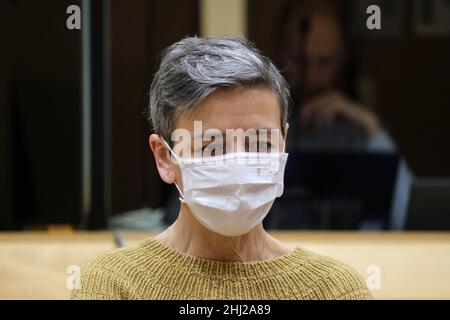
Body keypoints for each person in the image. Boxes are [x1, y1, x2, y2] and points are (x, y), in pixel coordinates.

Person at [71, 37, 372, 300]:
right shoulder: (112, 286)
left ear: (283, 144)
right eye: (211, 146)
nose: (238, 163)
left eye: (260, 143)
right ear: (165, 158)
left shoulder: (334, 290)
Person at [278, 0, 395, 152]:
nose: (312, 76)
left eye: (324, 62)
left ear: (342, 57)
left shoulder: (355, 127)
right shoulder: (259, 117)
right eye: (300, 60)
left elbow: (400, 176)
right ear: (279, 52)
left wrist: (370, 124)